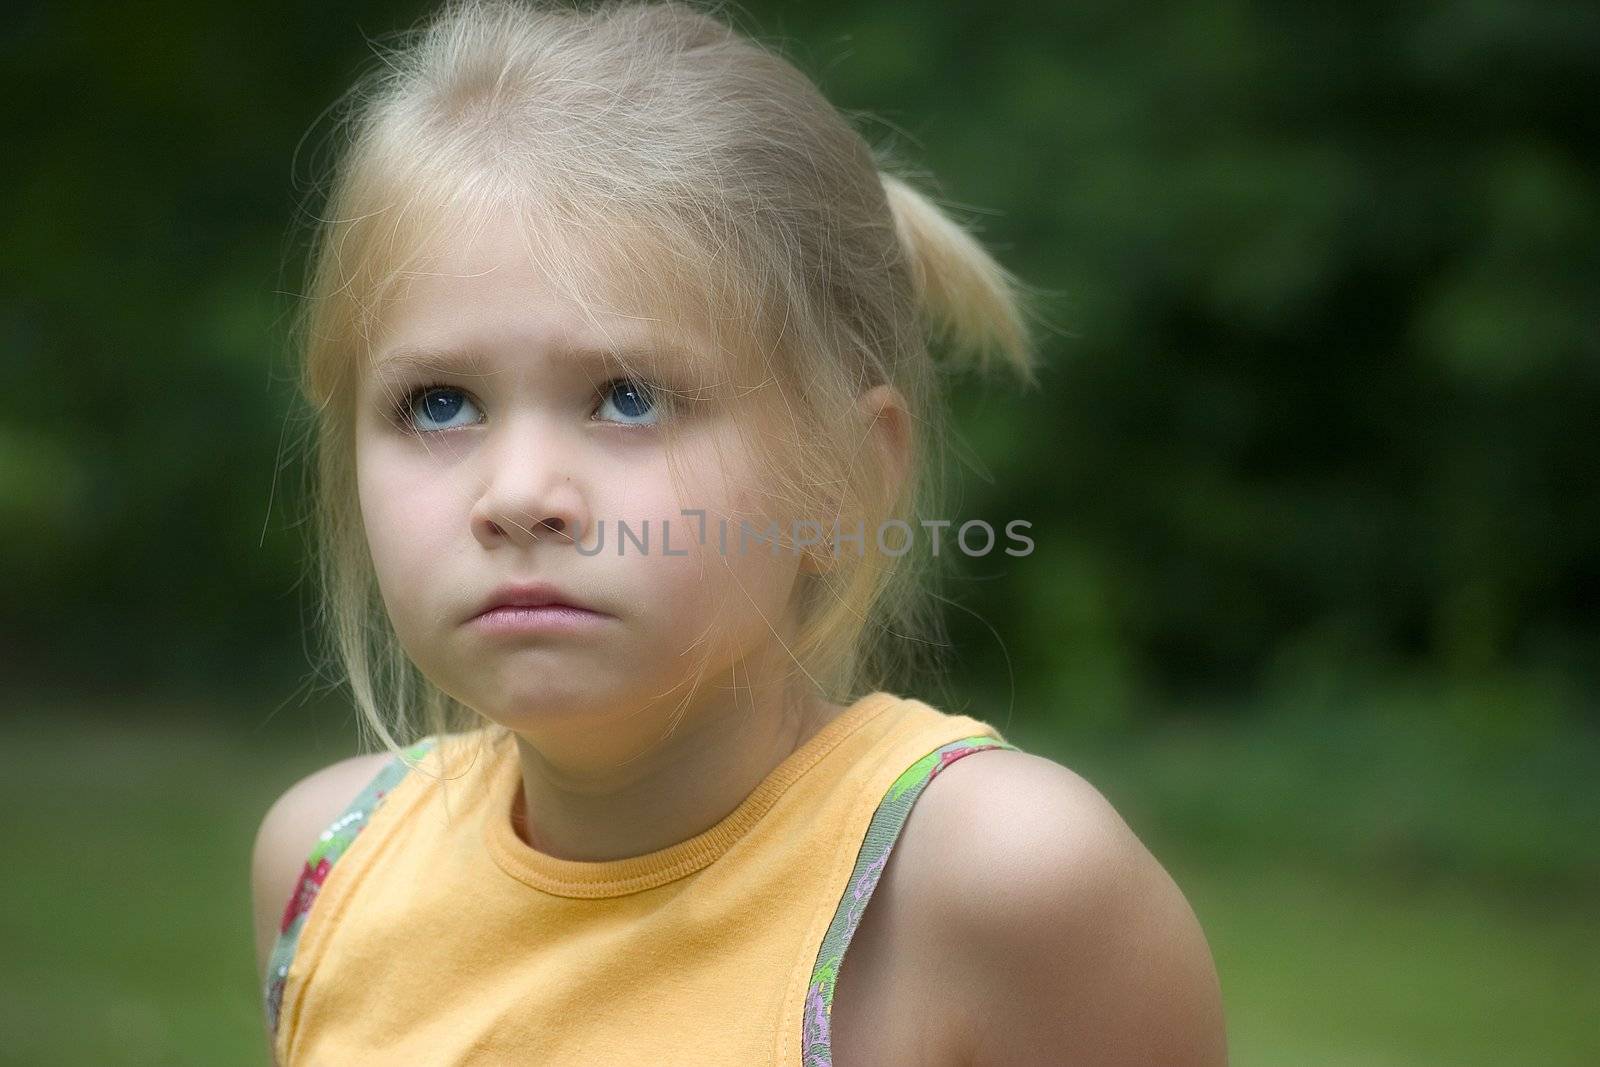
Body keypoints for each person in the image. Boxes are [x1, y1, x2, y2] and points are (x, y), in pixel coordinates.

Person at [248, 1, 1228, 1063]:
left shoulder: (993, 884)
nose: (518, 492)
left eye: (627, 396)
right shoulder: (329, 865)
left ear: (846, 475)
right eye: (437, 403)